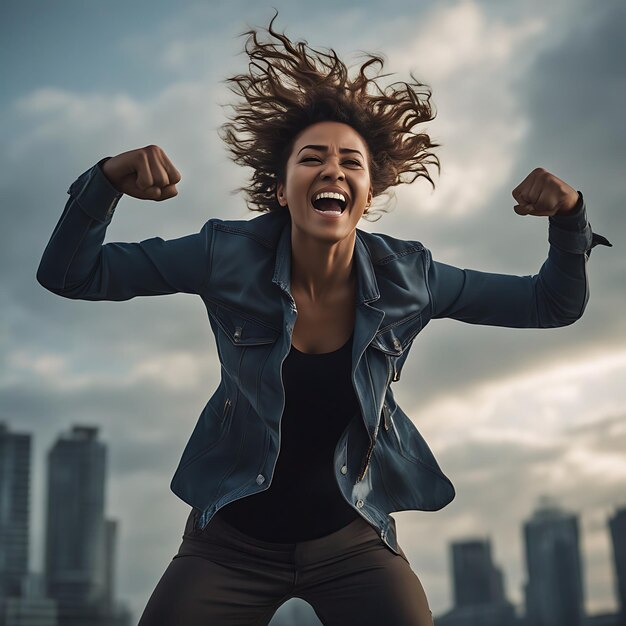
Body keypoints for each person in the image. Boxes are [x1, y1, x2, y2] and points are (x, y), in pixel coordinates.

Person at [36, 11, 611, 626]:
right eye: (311, 158)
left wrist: (569, 218)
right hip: (228, 546)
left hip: (351, 544)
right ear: (282, 190)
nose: (332, 169)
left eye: (351, 163)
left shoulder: (408, 278)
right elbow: (70, 274)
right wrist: (105, 182)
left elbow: (552, 305)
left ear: (366, 195)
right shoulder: (224, 256)